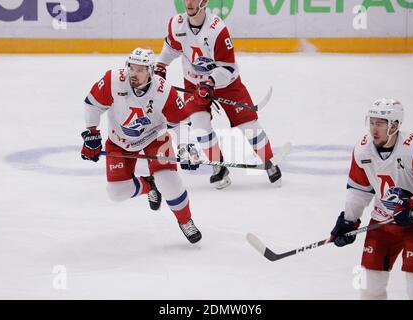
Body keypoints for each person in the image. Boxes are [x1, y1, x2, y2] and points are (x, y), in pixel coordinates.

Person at [155, 0, 282, 189]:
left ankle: (269, 162)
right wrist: (160, 65)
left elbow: (228, 67)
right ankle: (219, 167)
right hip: (193, 84)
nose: (188, 2)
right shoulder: (176, 23)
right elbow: (171, 48)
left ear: (204, 2)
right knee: (199, 124)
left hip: (227, 84)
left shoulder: (217, 30)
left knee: (248, 124)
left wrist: (211, 81)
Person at [80, 48, 202, 244]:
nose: (133, 74)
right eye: (131, 68)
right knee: (117, 193)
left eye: (139, 70)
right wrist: (92, 133)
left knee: (168, 183)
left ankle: (185, 220)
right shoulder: (114, 80)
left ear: (150, 71)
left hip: (155, 137)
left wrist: (185, 147)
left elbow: (180, 121)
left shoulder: (163, 91)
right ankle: (149, 185)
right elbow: (92, 104)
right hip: (119, 140)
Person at [330, 98, 413, 299]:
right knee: (369, 285)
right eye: (371, 122)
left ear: (394, 125)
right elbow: (359, 189)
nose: (373, 128)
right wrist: (349, 221)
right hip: (383, 223)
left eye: (380, 123)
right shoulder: (362, 150)